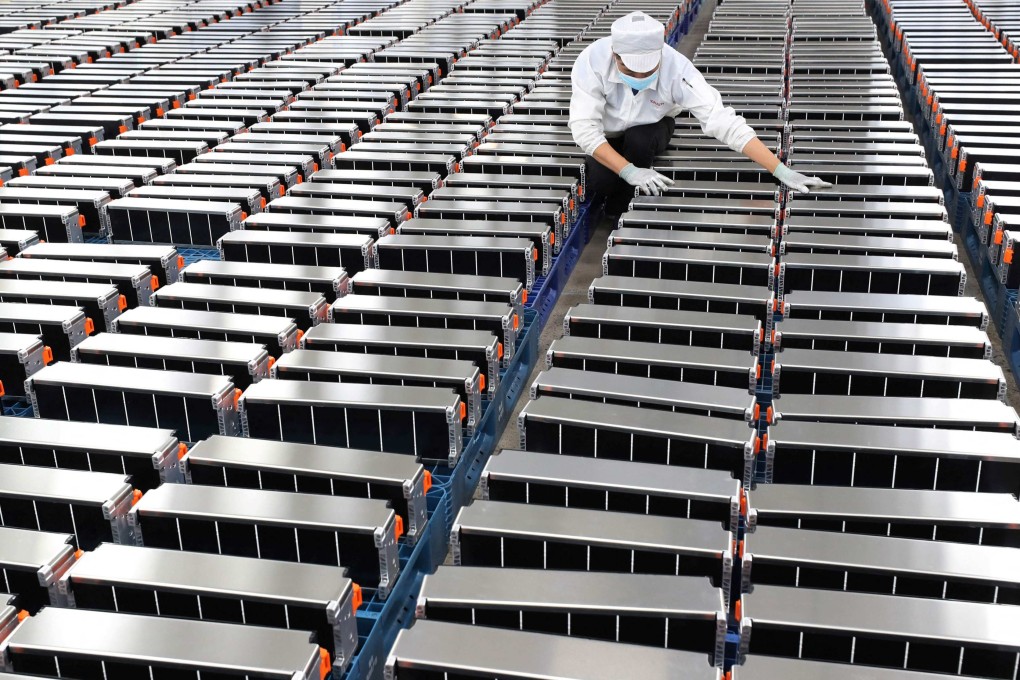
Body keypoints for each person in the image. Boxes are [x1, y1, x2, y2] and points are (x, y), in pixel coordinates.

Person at [569, 11, 832, 215]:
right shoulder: (591, 62)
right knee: (601, 181)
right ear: (616, 56)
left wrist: (781, 171)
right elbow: (584, 129)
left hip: (654, 125)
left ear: (659, 55)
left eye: (648, 71)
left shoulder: (678, 70)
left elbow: (721, 119)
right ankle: (617, 193)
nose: (640, 78)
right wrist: (627, 170)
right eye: (631, 71)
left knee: (639, 141)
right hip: (607, 132)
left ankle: (624, 213)